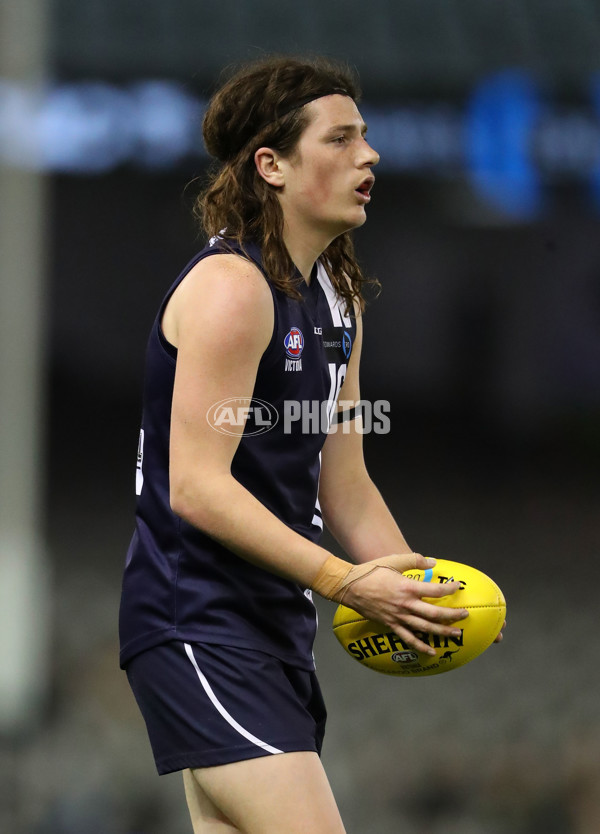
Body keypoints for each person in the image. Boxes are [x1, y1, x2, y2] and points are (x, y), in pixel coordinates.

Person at [119, 55, 486, 834]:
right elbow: (197, 486)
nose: (370, 155)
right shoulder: (232, 289)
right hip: (198, 622)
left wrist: (409, 586)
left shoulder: (338, 299)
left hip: (273, 630)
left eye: (368, 137)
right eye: (342, 138)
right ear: (272, 165)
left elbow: (343, 483)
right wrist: (347, 582)